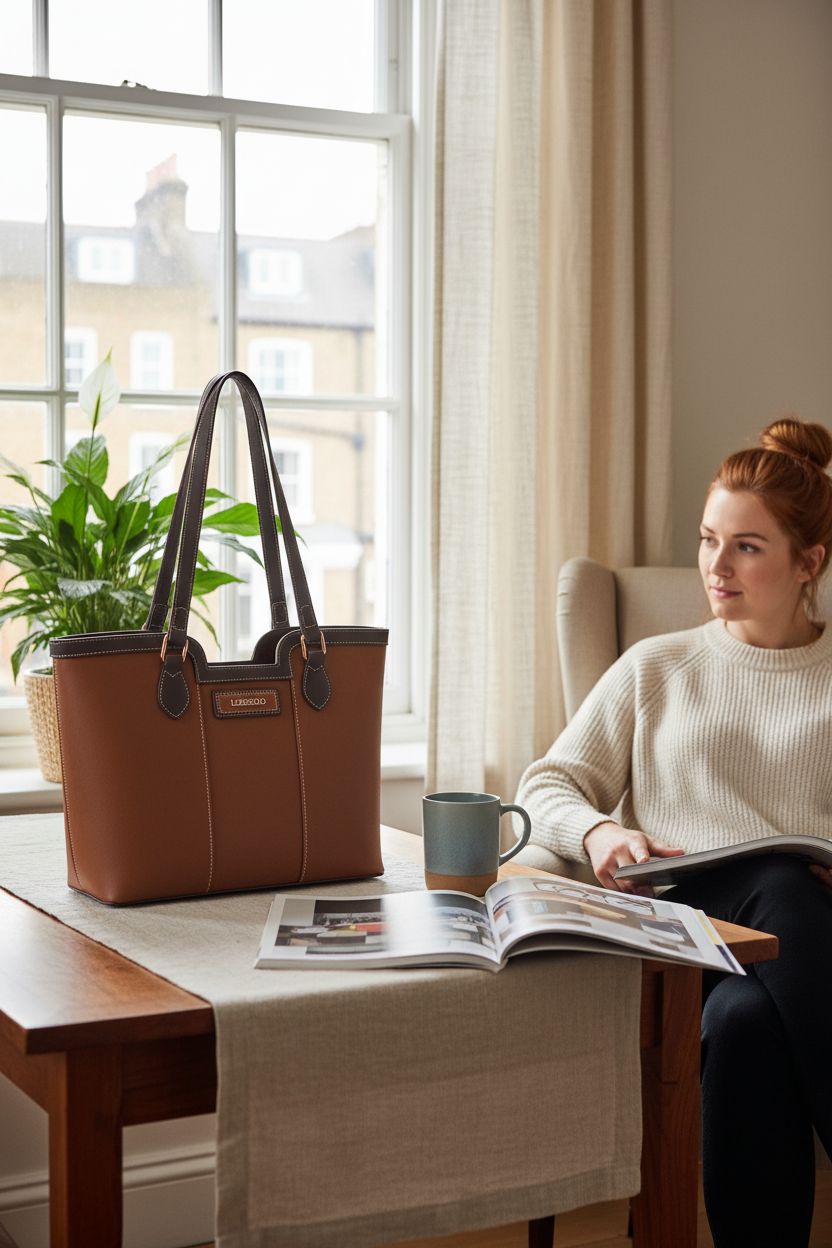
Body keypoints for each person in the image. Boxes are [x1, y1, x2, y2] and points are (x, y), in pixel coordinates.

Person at [516, 417, 832, 1248]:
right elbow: (546, 783)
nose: (715, 567)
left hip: (807, 942)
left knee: (745, 1023)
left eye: (746, 547)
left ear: (809, 563)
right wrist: (598, 834)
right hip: (683, 929)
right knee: (778, 884)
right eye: (707, 540)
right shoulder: (657, 667)